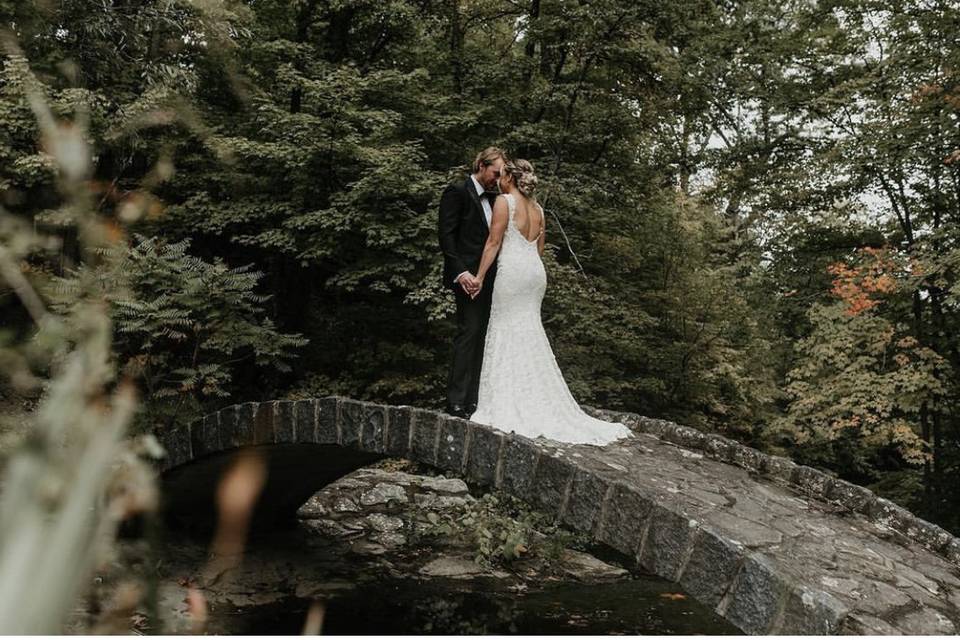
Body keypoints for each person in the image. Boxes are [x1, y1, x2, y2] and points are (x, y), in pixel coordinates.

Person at [468, 160, 632, 445]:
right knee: (529, 329)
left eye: (504, 174)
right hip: (534, 273)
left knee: (506, 328)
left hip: (514, 272)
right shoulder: (539, 210)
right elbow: (539, 249)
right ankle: (534, 395)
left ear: (511, 178)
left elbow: (493, 243)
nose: (501, 179)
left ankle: (509, 399)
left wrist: (480, 277)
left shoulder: (504, 202)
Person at [438, 147, 507, 418]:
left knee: (484, 338)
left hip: (493, 280)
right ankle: (456, 400)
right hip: (467, 279)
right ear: (480, 164)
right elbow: (446, 237)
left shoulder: (497, 198)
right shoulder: (457, 192)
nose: (498, 178)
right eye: (495, 173)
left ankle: (474, 401)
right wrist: (462, 273)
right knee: (468, 333)